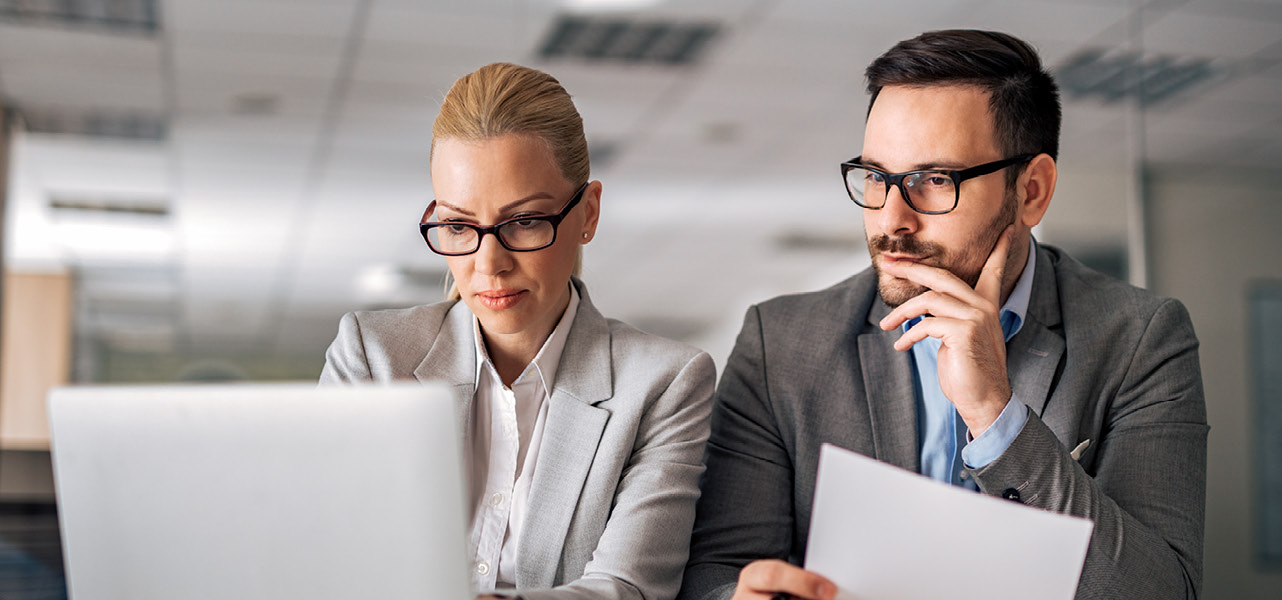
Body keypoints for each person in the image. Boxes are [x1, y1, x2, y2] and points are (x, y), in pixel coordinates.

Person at [680, 30, 1207, 600]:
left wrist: (996, 416)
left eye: (934, 180)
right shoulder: (780, 344)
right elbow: (715, 571)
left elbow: (1162, 592)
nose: (892, 218)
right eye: (877, 177)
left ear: (1031, 190)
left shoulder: (1140, 340)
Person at [320, 62, 715, 600]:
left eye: (524, 221)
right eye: (459, 225)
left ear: (588, 213)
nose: (489, 264)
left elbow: (628, 588)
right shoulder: (373, 358)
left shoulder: (662, 384)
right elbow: (328, 554)